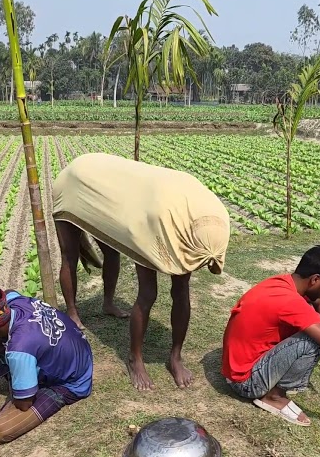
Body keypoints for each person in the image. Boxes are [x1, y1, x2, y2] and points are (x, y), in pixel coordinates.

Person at [51, 152, 230, 391]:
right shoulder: (153, 220)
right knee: (145, 292)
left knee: (181, 289)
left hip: (168, 218)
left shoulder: (204, 211)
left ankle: (175, 357)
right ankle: (130, 355)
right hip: (78, 190)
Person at [220, 245, 320, 426]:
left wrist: (319, 304)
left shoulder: (283, 283)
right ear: (315, 279)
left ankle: (273, 390)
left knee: (319, 333)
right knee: (314, 340)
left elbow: (318, 305)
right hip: (246, 383)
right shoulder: (293, 304)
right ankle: (274, 397)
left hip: (234, 370)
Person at [0, 284, 93, 443]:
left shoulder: (19, 349)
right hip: (80, 350)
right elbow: (9, 291)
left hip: (73, 381)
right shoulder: (12, 302)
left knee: (2, 430)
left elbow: (24, 404)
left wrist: (17, 383)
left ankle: (39, 384)